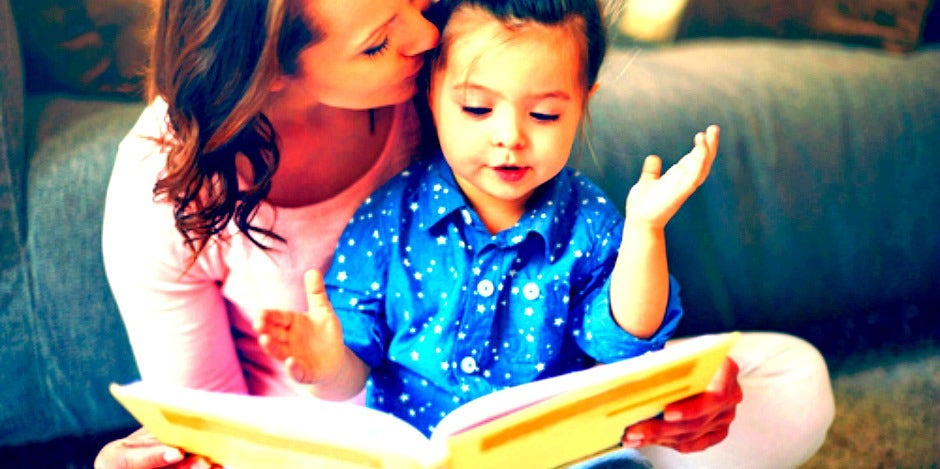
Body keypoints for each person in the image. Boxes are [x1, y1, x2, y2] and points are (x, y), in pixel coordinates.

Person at [95, 0, 834, 467]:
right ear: (271, 72)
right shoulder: (162, 190)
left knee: (786, 376)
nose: (424, 33)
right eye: (380, 41)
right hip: (346, 441)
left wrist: (677, 394)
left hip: (544, 421)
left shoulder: (450, 68)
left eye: (414, 4)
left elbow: (613, 339)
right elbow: (215, 430)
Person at [255, 0, 716, 442]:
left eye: (544, 114)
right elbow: (351, 370)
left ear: (583, 103)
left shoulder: (589, 226)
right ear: (430, 95)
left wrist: (644, 231)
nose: (510, 137)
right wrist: (328, 365)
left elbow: (623, 343)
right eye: (477, 108)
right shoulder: (387, 218)